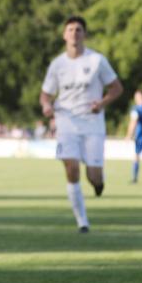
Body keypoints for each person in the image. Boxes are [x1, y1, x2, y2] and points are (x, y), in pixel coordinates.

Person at [40, 16, 123, 233]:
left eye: (78, 30)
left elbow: (116, 88)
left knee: (93, 175)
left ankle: (98, 183)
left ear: (84, 34)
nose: (74, 33)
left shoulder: (97, 61)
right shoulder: (57, 64)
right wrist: (46, 106)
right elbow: (45, 94)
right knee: (72, 168)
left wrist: (102, 103)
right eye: (70, 30)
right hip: (66, 124)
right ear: (64, 35)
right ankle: (82, 222)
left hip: (92, 124)